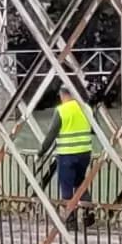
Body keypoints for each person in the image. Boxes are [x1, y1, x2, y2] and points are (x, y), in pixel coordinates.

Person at [44, 82, 98, 210]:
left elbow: (51, 134)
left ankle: (70, 220)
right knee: (80, 184)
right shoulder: (86, 108)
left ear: (63, 95)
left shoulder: (61, 110)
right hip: (85, 153)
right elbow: (95, 130)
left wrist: (41, 152)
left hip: (67, 155)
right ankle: (88, 214)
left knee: (66, 186)